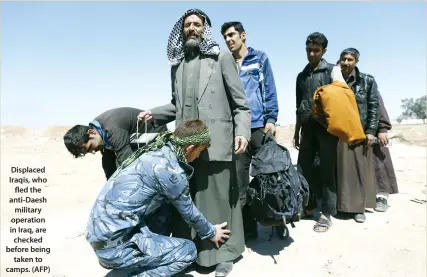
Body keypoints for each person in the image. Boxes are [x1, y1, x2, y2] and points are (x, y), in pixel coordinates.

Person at [138, 9, 251, 277]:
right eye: (187, 25)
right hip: (186, 146)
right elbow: (176, 105)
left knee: (219, 199)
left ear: (205, 29)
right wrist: (154, 113)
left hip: (217, 142)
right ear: (182, 30)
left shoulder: (221, 58)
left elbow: (241, 105)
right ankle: (192, 252)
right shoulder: (177, 66)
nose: (192, 28)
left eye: (197, 24)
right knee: (188, 201)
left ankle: (225, 255)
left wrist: (242, 132)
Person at [86, 119, 231, 277]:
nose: (198, 157)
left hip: (101, 235)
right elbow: (189, 212)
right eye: (200, 151)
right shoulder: (171, 171)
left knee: (164, 208)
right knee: (188, 251)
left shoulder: (157, 150)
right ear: (189, 148)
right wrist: (211, 232)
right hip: (113, 248)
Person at [220, 21, 279, 239]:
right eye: (225, 36)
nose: (228, 39)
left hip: (259, 126)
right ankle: (249, 227)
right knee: (240, 180)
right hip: (236, 131)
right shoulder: (223, 62)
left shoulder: (260, 59)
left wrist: (271, 118)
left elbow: (269, 89)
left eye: (232, 35)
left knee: (270, 176)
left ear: (243, 35)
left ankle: (277, 220)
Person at [294, 32, 345, 232]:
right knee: (303, 170)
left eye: (316, 50)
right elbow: (299, 106)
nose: (312, 54)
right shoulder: (301, 75)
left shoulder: (333, 71)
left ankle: (327, 213)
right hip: (307, 129)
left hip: (326, 131)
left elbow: (341, 100)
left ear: (324, 51)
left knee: (326, 171)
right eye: (309, 50)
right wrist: (297, 130)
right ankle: (307, 206)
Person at [336, 48, 379, 223]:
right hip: (340, 131)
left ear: (356, 62)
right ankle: (344, 207)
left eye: (350, 60)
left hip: (360, 131)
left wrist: (371, 131)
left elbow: (373, 106)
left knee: (361, 170)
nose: (346, 63)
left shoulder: (367, 80)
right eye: (343, 59)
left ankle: (359, 208)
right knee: (343, 172)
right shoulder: (335, 80)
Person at [63, 107, 167, 180]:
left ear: (91, 133)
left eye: (90, 147)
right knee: (111, 168)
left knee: (131, 169)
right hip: (132, 137)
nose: (93, 151)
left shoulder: (112, 129)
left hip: (154, 132)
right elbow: (108, 163)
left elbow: (128, 162)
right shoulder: (99, 130)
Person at [373, 93, 399, 212]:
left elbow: (378, 106)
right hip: (353, 131)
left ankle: (382, 196)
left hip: (373, 129)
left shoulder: (366, 81)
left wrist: (382, 128)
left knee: (378, 160)